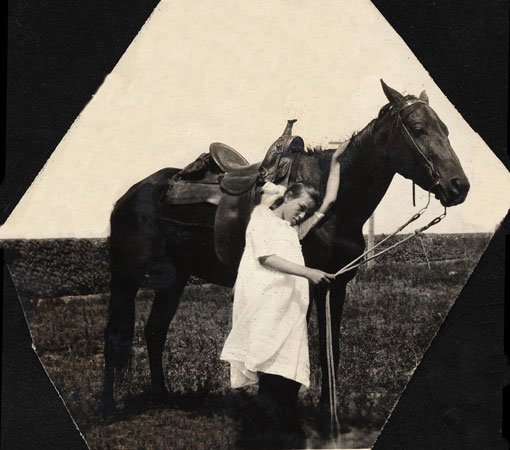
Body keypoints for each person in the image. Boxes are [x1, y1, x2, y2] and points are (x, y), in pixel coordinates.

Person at [220, 143, 346, 447]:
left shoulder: (292, 228)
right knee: (272, 371)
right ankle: (267, 434)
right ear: (287, 197)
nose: (301, 216)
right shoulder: (261, 219)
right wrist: (310, 273)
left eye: (306, 213)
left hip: (287, 311)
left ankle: (281, 432)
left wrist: (337, 163)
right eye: (300, 208)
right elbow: (267, 258)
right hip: (266, 309)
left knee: (286, 374)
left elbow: (328, 202)